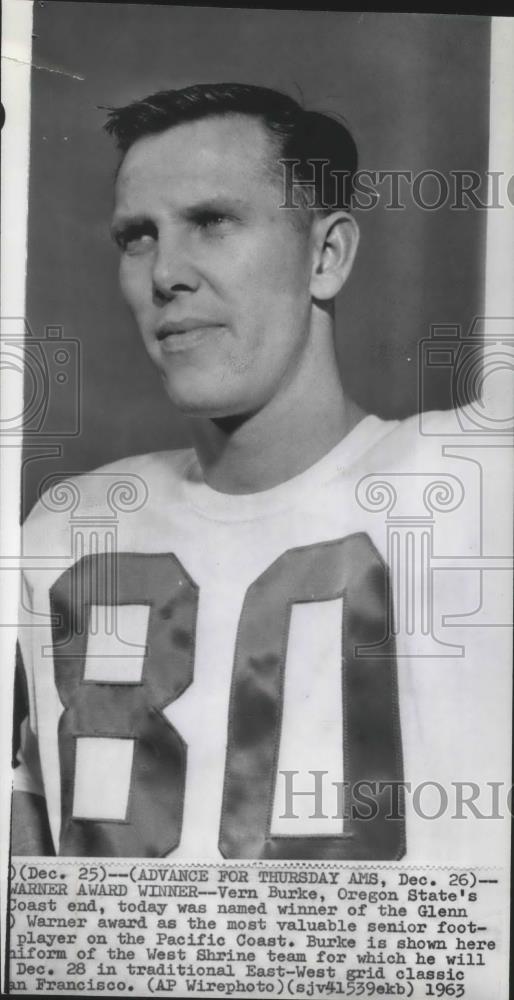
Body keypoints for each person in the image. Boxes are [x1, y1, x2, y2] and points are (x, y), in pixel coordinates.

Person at [11, 83, 508, 861]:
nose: (165, 272)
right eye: (137, 236)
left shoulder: (476, 484)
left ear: (326, 254)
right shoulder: (65, 530)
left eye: (212, 221)